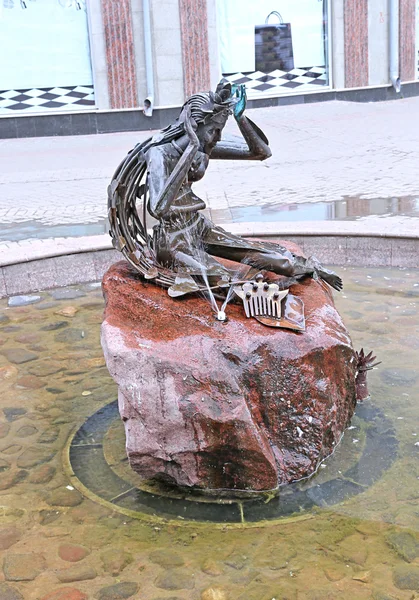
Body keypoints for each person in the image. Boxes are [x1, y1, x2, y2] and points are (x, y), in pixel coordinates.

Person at [109, 81, 342, 292]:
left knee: (271, 258)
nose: (217, 138)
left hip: (197, 227)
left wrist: (240, 118)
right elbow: (158, 208)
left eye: (219, 131)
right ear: (193, 126)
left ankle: (309, 268)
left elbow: (260, 152)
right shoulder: (160, 152)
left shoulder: (204, 146)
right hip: (173, 241)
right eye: (213, 131)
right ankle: (256, 298)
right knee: (220, 277)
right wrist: (190, 148)